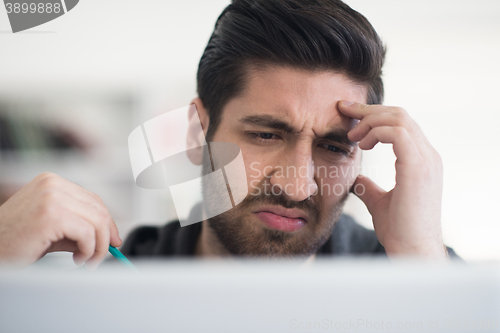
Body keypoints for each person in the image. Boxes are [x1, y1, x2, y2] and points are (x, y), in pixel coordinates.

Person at [0, 0, 458, 268]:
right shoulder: (113, 277)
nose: (297, 186)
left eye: (334, 147)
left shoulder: (419, 269)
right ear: (199, 134)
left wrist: (422, 265)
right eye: (265, 135)